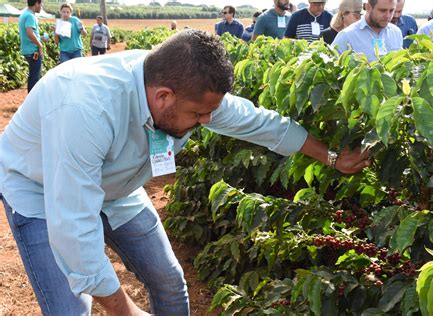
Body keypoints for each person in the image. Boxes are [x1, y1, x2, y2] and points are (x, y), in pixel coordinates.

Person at [0, 30, 370, 315]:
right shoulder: (85, 108)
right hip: (41, 189)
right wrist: (125, 308)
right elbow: (74, 224)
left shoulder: (188, 93)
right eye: (198, 116)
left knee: (169, 282)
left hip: (116, 187)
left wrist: (331, 156)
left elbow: (259, 123)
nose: (206, 122)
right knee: (71, 308)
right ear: (163, 97)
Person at [331, 0, 403, 62]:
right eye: (382, 10)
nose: (388, 15)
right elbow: (332, 70)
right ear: (368, 7)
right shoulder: (347, 36)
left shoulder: (396, 33)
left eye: (391, 10)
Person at [18, 0, 43, 92]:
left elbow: (28, 33)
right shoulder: (30, 16)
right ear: (36, 3)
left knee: (33, 75)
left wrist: (41, 38)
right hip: (33, 51)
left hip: (27, 50)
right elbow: (30, 33)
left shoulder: (24, 14)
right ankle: (32, 103)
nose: (41, 6)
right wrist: (40, 45)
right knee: (35, 78)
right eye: (41, 4)